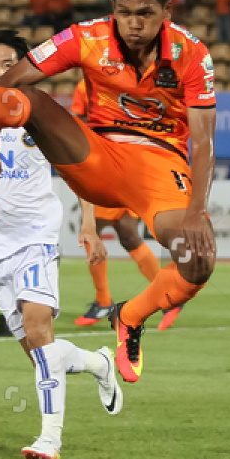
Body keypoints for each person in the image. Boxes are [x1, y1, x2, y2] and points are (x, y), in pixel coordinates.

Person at [0, 0, 217, 384]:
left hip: (160, 166)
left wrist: (195, 211)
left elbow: (205, 142)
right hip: (96, 155)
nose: (133, 24)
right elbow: (10, 81)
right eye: (124, 12)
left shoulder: (193, 55)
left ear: (167, 11)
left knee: (199, 260)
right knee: (35, 99)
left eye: (145, 14)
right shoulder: (86, 37)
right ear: (112, 7)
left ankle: (130, 316)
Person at [0, 31, 124, 459]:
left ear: (23, 69)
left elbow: (79, 171)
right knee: (41, 354)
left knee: (39, 333)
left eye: (7, 64)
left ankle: (49, 440)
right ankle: (98, 364)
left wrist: (89, 224)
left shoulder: (37, 114)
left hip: (36, 236)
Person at [66, 80, 173, 329]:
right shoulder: (85, 86)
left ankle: (104, 300)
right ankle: (169, 293)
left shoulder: (134, 82)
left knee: (94, 227)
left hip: (126, 163)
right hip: (105, 160)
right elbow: (80, 121)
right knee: (126, 231)